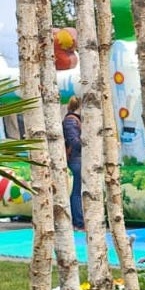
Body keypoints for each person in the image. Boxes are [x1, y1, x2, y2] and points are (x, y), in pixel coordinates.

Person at [62, 96, 84, 230]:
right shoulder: (71, 121)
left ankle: (79, 220)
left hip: (79, 159)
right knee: (76, 192)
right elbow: (74, 142)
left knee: (78, 191)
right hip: (76, 160)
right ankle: (78, 221)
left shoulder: (74, 120)